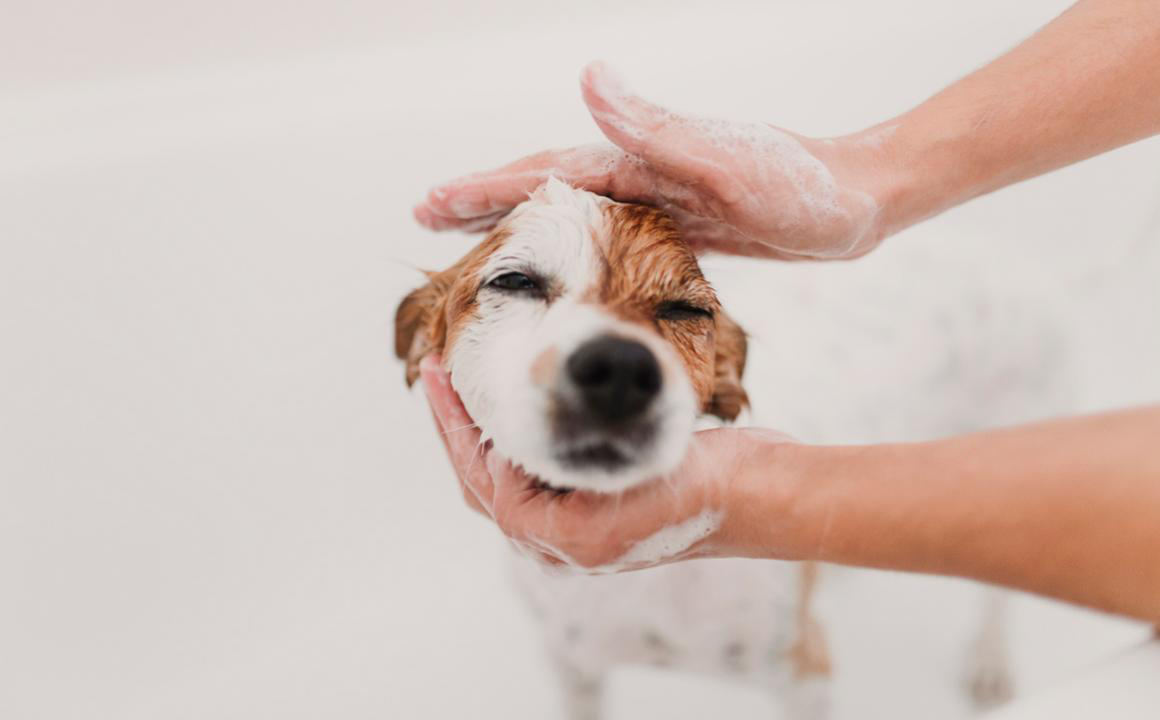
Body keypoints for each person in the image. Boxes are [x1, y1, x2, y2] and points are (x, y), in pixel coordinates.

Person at [412, 0, 1160, 623]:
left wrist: (755, 498)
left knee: (991, 602)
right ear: (428, 345)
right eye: (516, 286)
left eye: (678, 311)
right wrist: (870, 180)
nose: (611, 352)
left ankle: (995, 630)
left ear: (723, 383)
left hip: (1003, 335)